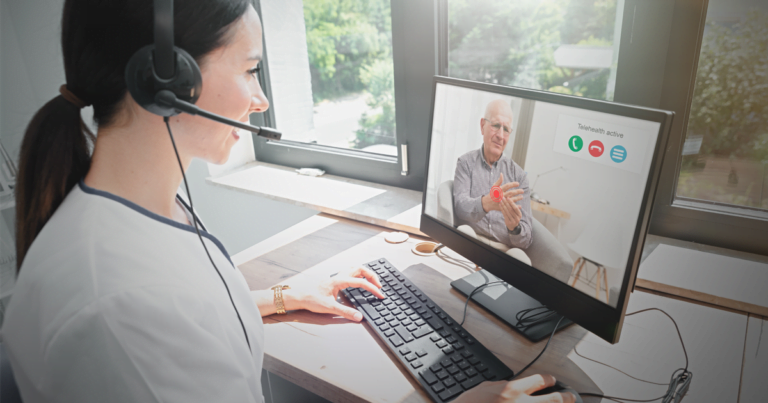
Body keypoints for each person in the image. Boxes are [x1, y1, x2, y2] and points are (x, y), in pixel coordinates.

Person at [0, 1, 573, 402]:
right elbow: (157, 319)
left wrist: (276, 298)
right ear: (166, 81)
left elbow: (187, 319)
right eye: (250, 70)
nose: (262, 97)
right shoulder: (119, 311)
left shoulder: (139, 211)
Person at [453, 99, 533, 256]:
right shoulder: (465, 163)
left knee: (522, 259)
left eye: (506, 129)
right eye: (496, 125)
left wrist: (514, 228)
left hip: (503, 252)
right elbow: (459, 207)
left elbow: (527, 238)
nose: (501, 136)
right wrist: (485, 204)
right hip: (471, 240)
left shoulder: (519, 177)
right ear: (482, 126)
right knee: (463, 231)